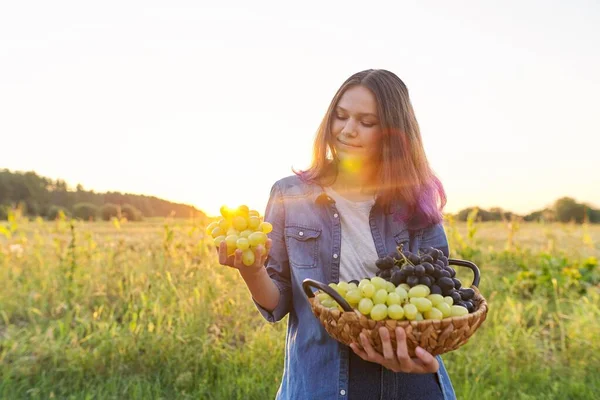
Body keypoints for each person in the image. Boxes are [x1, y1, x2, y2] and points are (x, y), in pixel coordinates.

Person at [217, 69, 456, 399]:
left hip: (405, 386)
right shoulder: (291, 194)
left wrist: (419, 357)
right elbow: (279, 302)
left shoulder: (415, 199)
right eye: (340, 116)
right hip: (320, 385)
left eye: (366, 122)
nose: (347, 130)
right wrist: (251, 269)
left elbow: (440, 305)